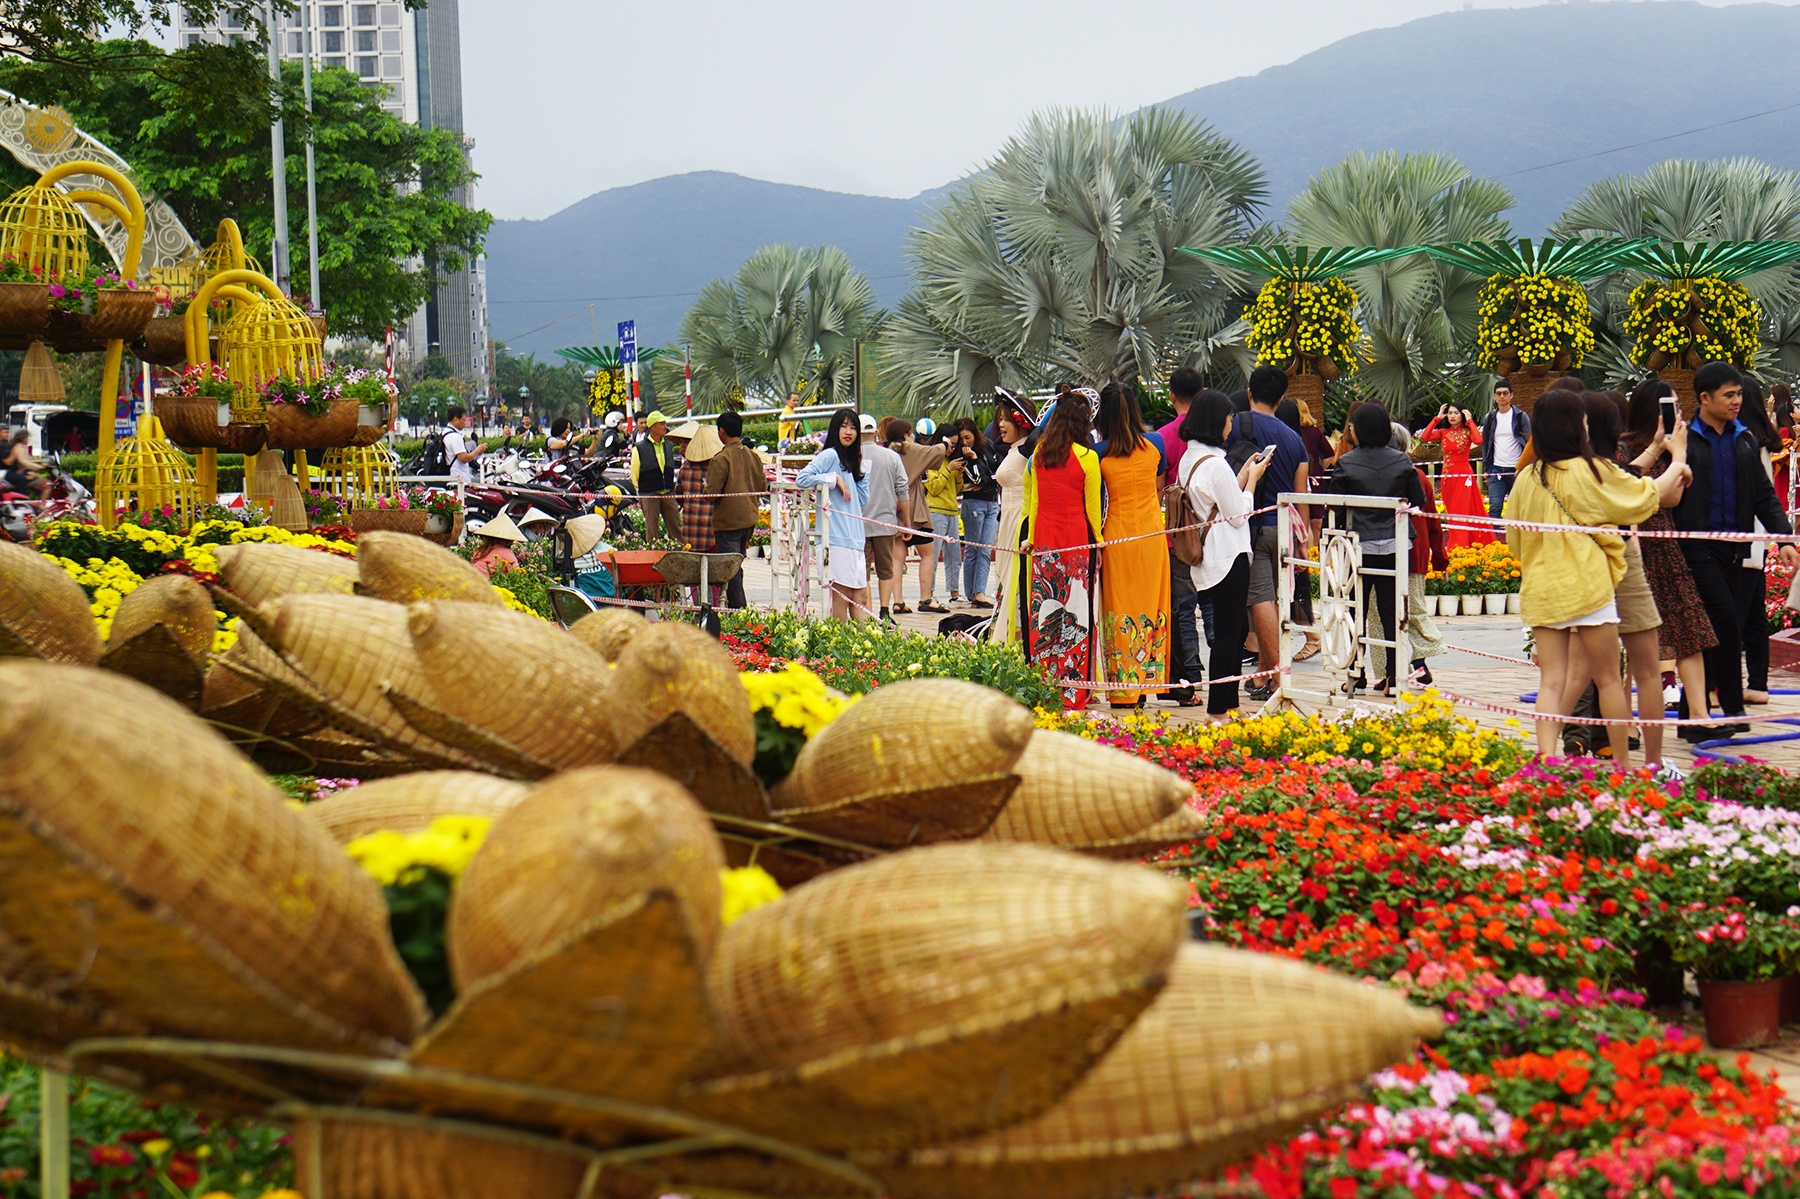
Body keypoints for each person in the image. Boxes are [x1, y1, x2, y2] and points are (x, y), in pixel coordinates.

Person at [1508, 389, 1676, 770]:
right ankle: (1620, 766)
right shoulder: (1589, 470)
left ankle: (1547, 762)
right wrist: (1677, 459)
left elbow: (1515, 542)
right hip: (1588, 587)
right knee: (1608, 680)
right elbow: (1640, 500)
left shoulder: (1525, 479)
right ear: (1575, 425)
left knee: (1551, 681)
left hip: (1542, 589)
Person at [1674, 362, 1799, 739]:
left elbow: (1764, 495)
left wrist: (1784, 539)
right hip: (1696, 553)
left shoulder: (1744, 439)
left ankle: (1695, 718)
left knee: (1719, 628)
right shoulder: (1685, 441)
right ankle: (1729, 707)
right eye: (1729, 395)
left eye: (1739, 394)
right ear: (1704, 398)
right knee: (1724, 623)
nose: (1737, 401)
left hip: (1735, 551)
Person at [1576, 390, 1689, 769]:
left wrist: (1657, 448)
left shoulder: (1570, 469)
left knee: (1579, 674)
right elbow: (1651, 493)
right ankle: (1650, 763)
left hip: (1586, 562)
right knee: (1642, 667)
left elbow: (1630, 476)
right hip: (1623, 555)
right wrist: (1680, 456)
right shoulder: (1610, 470)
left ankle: (1553, 756)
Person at [1622, 378, 1719, 737]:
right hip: (1631, 553)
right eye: (1671, 406)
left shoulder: (1676, 448)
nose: (1677, 413)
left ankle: (1698, 715)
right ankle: (1628, 725)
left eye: (1678, 406)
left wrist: (1676, 454)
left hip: (1666, 549)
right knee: (1634, 641)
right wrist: (1672, 457)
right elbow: (1641, 491)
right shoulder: (1625, 449)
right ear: (1652, 410)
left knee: (1690, 632)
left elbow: (1674, 499)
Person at [1324, 402, 1427, 695]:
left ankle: (1355, 675)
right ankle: (1394, 676)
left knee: (1355, 612)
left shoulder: (1346, 462)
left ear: (1359, 430)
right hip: (1395, 545)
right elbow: (1416, 499)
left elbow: (1335, 506)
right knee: (1390, 611)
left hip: (1358, 547)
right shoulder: (1402, 461)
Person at [1179, 390, 1268, 720]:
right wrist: (1252, 483)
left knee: (1227, 632)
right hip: (1229, 554)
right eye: (1230, 419)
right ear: (1218, 421)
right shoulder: (1215, 464)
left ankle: (1228, 704)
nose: (1232, 426)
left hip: (1208, 557)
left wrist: (1242, 474)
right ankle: (1221, 706)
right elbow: (1238, 512)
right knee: (1231, 634)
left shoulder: (1192, 459)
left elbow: (1216, 501)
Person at [1019, 386, 1104, 709]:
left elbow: (1036, 503)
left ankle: (1043, 683)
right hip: (1077, 545)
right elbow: (1092, 510)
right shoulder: (1088, 458)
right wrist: (1098, 545)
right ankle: (1074, 690)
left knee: (1045, 614)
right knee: (1077, 616)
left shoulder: (1040, 455)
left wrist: (1031, 538)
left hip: (1044, 544)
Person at [1093, 381, 1171, 709]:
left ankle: (1123, 688)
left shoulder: (1100, 453)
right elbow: (1160, 485)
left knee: (1119, 608)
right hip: (1153, 534)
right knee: (1153, 607)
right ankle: (1146, 682)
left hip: (1117, 537)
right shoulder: (1155, 443)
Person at [1238, 366, 1311, 700]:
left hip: (1249, 525)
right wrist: (1304, 540)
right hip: (1283, 526)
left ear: (1249, 392)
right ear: (1282, 399)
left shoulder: (1234, 424)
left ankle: (1278, 678)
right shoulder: (1294, 438)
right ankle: (1263, 676)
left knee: (1260, 599)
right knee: (1276, 600)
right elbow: (1301, 496)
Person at [1368, 424, 1447, 692]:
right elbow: (1433, 521)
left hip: (1379, 553)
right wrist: (1440, 559)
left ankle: (1385, 673)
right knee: (1413, 609)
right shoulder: (1419, 477)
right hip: (1414, 554)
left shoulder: (1374, 475)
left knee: (1377, 614)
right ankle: (1420, 663)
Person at [1154, 367, 1205, 703]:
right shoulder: (1213, 433)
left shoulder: (1162, 437)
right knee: (1212, 607)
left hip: (1177, 537)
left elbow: (1157, 493)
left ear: (1171, 396)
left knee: (1182, 607)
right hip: (1212, 532)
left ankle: (1191, 674)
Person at [796, 409, 872, 622]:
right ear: (835, 429)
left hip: (855, 538)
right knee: (842, 595)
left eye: (853, 428)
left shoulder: (850, 459)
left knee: (860, 596)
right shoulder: (830, 455)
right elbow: (802, 479)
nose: (849, 432)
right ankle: (838, 646)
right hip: (836, 538)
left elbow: (863, 500)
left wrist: (861, 469)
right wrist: (833, 478)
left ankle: (865, 648)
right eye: (844, 426)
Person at [1736, 375, 1782, 706]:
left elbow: (1760, 498)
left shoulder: (1748, 443)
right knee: (1753, 615)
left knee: (1736, 616)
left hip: (1743, 542)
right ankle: (1758, 683)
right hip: (1754, 543)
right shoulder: (1757, 442)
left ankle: (1726, 685)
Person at [1276, 398, 1324, 663]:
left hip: (1288, 522)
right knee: (1295, 584)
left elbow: (1300, 493)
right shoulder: (1296, 443)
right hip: (1293, 522)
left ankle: (1312, 636)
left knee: (1296, 586)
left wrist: (1302, 536)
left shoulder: (1287, 445)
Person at [707, 409, 769, 610]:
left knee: (730, 569)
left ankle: (738, 611)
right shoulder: (753, 457)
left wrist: (703, 487)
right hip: (748, 520)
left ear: (721, 432)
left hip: (728, 522)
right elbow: (762, 487)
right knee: (737, 565)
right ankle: (736, 607)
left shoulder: (720, 459)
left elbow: (712, 493)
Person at [989, 389, 1037, 645]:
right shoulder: (1012, 449)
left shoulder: (1029, 450)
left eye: (1007, 419)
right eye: (999, 420)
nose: (1001, 425)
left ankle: (1015, 639)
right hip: (1006, 521)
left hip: (1020, 519)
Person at [890, 418, 947, 615]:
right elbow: (937, 451)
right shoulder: (909, 450)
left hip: (892, 510)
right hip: (914, 509)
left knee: (897, 557)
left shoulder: (887, 452)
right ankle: (925, 598)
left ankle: (897, 601)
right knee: (928, 553)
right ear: (906, 435)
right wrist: (945, 442)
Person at [858, 413, 910, 624]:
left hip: (857, 524)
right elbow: (903, 491)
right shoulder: (891, 457)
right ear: (876, 433)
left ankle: (866, 612)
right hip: (886, 523)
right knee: (885, 570)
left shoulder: (851, 457)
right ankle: (885, 611)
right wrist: (906, 523)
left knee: (863, 572)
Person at [1421, 402, 1491, 549]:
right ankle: (1459, 543)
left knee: (1461, 510)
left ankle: (1460, 545)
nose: (1452, 416)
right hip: (1447, 478)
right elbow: (1425, 437)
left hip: (1463, 476)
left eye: (1456, 413)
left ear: (1463, 414)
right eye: (1450, 413)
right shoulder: (1443, 432)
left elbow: (1478, 440)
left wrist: (1470, 420)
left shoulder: (1467, 432)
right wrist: (1437, 418)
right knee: (1452, 511)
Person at [954, 418, 1001, 609]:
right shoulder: (962, 456)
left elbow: (996, 474)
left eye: (968, 437)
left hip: (992, 503)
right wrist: (973, 459)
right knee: (973, 548)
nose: (965, 442)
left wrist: (987, 480)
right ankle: (973, 593)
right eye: (961, 439)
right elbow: (978, 479)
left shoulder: (988, 446)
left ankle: (980, 591)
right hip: (973, 504)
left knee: (986, 549)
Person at [924, 435, 964, 610]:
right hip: (936, 512)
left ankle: (954, 592)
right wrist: (948, 470)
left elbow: (957, 488)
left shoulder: (951, 461)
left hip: (952, 511)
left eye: (954, 445)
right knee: (933, 555)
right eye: (948, 445)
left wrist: (959, 474)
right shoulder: (932, 461)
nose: (951, 449)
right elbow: (933, 488)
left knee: (955, 555)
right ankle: (928, 593)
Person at [630, 410, 682, 541]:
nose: (665, 426)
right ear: (652, 426)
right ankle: (652, 556)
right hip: (649, 492)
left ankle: (680, 553)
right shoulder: (639, 447)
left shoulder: (669, 445)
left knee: (675, 526)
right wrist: (642, 488)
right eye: (661, 423)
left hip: (668, 491)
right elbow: (634, 472)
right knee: (651, 529)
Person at [1482, 381, 1529, 521]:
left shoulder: (1520, 416)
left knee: (1520, 510)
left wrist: (1524, 466)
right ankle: (1494, 541)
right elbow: (1486, 444)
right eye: (1499, 393)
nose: (1502, 396)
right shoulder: (1489, 418)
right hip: (1496, 469)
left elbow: (1529, 442)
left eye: (1505, 393)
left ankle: (1520, 541)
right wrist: (1487, 468)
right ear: (1494, 397)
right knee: (1495, 507)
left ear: (1511, 395)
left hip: (1517, 470)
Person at [675, 423, 723, 556]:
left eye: (686, 443)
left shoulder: (685, 469)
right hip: (712, 531)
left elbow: (679, 496)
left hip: (691, 529)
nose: (682, 447)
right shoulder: (717, 467)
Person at [467, 512, 524, 578]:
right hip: (488, 584)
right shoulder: (506, 553)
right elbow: (516, 575)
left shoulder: (481, 550)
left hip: (472, 579)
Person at [442, 406, 486, 486]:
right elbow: (464, 458)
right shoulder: (455, 436)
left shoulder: (445, 432)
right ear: (456, 419)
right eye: (463, 420)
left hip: (452, 476)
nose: (465, 423)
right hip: (459, 480)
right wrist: (477, 450)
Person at [2, 432, 48, 499]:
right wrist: (38, 467)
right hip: (22, 473)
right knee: (47, 485)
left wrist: (41, 462)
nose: (27, 439)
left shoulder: (23, 447)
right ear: (22, 438)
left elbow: (28, 460)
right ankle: (41, 505)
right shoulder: (18, 447)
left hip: (27, 472)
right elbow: (23, 462)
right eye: (26, 437)